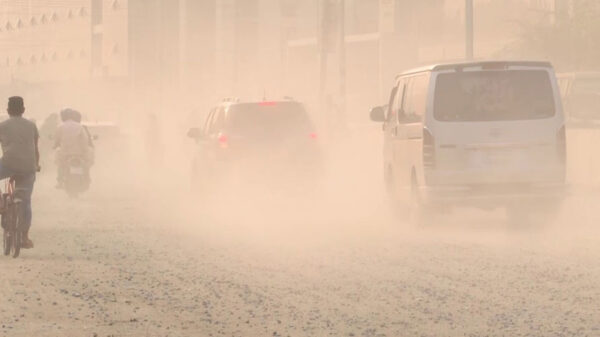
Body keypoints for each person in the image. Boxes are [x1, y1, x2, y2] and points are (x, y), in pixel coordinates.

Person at [0, 96, 40, 249]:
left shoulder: (2, 126)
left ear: (8, 110)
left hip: (8, 165)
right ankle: (24, 237)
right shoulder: (32, 125)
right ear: (23, 110)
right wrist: (36, 165)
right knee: (26, 201)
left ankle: (1, 203)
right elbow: (35, 149)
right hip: (28, 167)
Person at [54, 108, 90, 188]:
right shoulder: (79, 126)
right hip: (79, 153)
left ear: (63, 117)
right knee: (85, 165)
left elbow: (56, 140)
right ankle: (86, 179)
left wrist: (55, 146)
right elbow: (85, 140)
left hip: (65, 153)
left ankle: (60, 181)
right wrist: (85, 151)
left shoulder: (60, 127)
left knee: (60, 164)